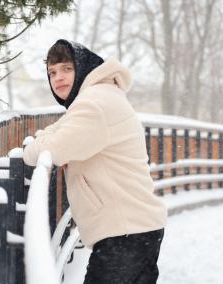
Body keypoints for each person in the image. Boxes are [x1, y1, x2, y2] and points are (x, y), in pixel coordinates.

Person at [23, 39, 167, 284]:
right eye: (52, 72)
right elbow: (56, 135)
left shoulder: (94, 104)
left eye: (67, 69)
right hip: (135, 229)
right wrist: (52, 141)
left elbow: (50, 149)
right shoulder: (97, 98)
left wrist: (34, 147)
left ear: (83, 67)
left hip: (125, 234)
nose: (58, 78)